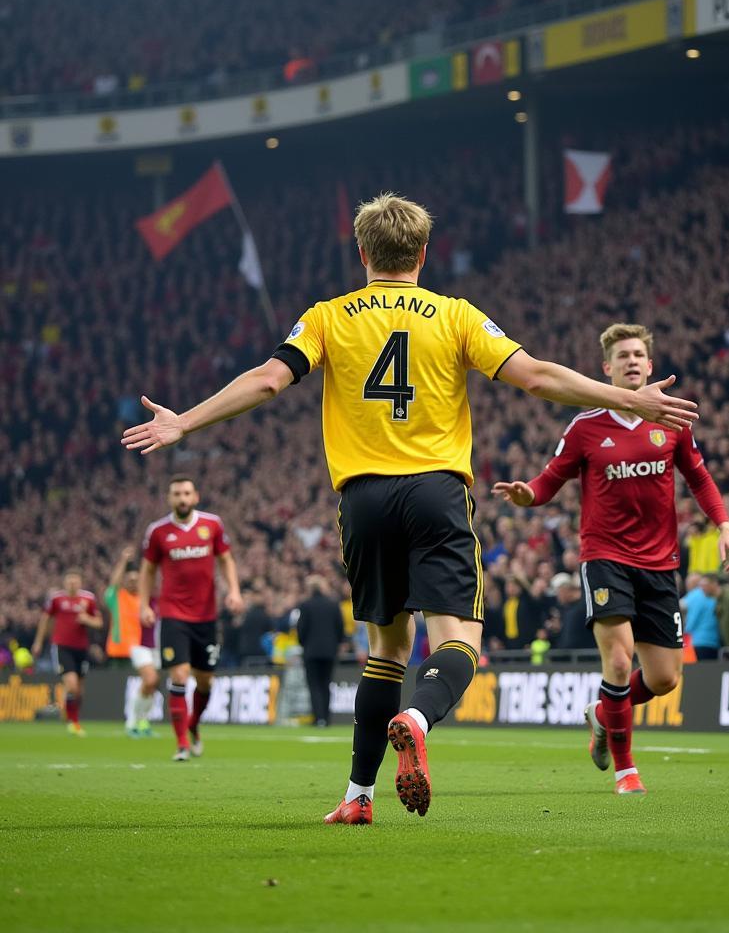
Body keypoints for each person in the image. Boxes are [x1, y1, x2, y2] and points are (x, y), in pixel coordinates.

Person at [121, 194, 698, 824]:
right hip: (436, 493)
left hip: (362, 499)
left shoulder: (327, 317)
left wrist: (185, 423)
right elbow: (536, 376)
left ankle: (356, 797)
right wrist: (627, 398)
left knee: (385, 651)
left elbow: (266, 380)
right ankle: (418, 718)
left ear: (363, 253)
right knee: (458, 644)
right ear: (423, 254)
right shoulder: (455, 315)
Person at [493, 323, 729, 794]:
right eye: (622, 355)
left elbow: (701, 479)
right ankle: (627, 772)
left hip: (661, 563)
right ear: (606, 368)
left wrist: (724, 526)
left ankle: (604, 712)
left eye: (638, 355)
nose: (631, 361)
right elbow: (549, 480)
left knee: (665, 678)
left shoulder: (670, 421)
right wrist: (528, 495)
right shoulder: (585, 426)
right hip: (604, 557)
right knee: (620, 661)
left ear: (650, 365)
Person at [138, 475, 243, 761]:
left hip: (206, 616)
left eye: (186, 493)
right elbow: (147, 570)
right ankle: (182, 742)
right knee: (180, 675)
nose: (182, 498)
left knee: (205, 681)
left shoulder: (212, 525)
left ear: (195, 496)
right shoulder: (158, 531)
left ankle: (193, 724)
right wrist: (144, 604)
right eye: (176, 494)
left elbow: (226, 560)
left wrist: (233, 591)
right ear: (169, 498)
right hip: (172, 614)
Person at [31, 569, 103, 735]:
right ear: (65, 582)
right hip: (62, 646)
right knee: (71, 684)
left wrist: (87, 620)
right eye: (69, 580)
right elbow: (45, 619)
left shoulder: (88, 599)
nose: (72, 583)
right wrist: (38, 641)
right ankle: (73, 722)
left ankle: (72, 716)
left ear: (80, 582)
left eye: (75, 580)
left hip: (82, 647)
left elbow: (99, 622)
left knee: (79, 689)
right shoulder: (56, 599)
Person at [104, 545, 160, 736]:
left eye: (137, 580)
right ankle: (133, 722)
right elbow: (113, 584)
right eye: (130, 579)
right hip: (129, 647)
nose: (134, 583)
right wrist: (123, 561)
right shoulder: (117, 597)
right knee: (150, 679)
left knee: (152, 684)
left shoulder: (144, 600)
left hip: (147, 645)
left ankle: (142, 722)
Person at [296, 575, 345, 726]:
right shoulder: (333, 605)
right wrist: (336, 644)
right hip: (330, 651)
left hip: (311, 652)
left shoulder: (305, 605)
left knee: (314, 685)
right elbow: (340, 628)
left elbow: (301, 629)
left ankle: (318, 718)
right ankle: (326, 718)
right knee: (326, 684)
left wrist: (304, 643)